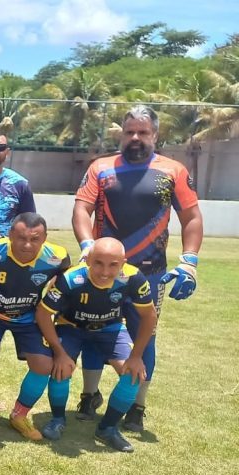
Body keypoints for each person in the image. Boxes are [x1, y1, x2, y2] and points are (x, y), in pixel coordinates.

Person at [72, 104, 203, 432]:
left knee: (145, 337)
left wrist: (189, 260)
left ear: (155, 135)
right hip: (103, 273)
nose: (135, 137)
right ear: (121, 133)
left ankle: (137, 406)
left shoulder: (173, 171)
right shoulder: (100, 168)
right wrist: (87, 246)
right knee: (94, 331)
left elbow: (191, 217)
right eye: (129, 131)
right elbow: (82, 209)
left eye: (142, 132)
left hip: (150, 273)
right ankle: (89, 396)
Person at [35, 238, 157, 452]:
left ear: (123, 263)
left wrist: (136, 356)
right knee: (60, 369)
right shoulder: (71, 278)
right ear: (89, 259)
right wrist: (59, 352)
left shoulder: (133, 277)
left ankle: (107, 428)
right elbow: (43, 314)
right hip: (71, 327)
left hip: (110, 328)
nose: (105, 272)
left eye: (113, 265)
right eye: (98, 263)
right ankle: (57, 419)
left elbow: (149, 316)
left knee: (133, 375)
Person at [0, 213, 71, 438]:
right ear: (11, 234)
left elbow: (64, 280)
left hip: (28, 318)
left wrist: (47, 306)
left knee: (43, 365)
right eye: (21, 237)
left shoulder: (58, 257)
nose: (27, 245)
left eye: (34, 239)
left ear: (45, 238)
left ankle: (19, 415)